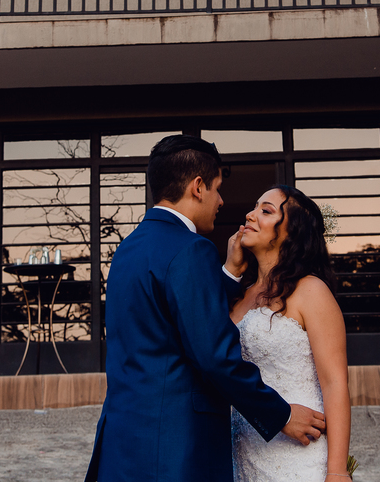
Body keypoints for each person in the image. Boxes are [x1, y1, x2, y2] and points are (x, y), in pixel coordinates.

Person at [85, 136, 326, 482]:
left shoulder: (128, 249)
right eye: (217, 189)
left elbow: (174, 319)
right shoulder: (191, 249)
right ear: (198, 187)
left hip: (123, 443)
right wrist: (282, 415)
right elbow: (214, 356)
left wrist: (229, 274)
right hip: (174, 449)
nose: (221, 201)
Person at [229, 186, 351, 482]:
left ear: (292, 232)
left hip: (297, 455)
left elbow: (335, 384)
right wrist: (230, 269)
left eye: (265, 211)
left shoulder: (311, 291)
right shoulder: (237, 294)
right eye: (254, 207)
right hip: (244, 453)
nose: (250, 215)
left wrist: (337, 471)